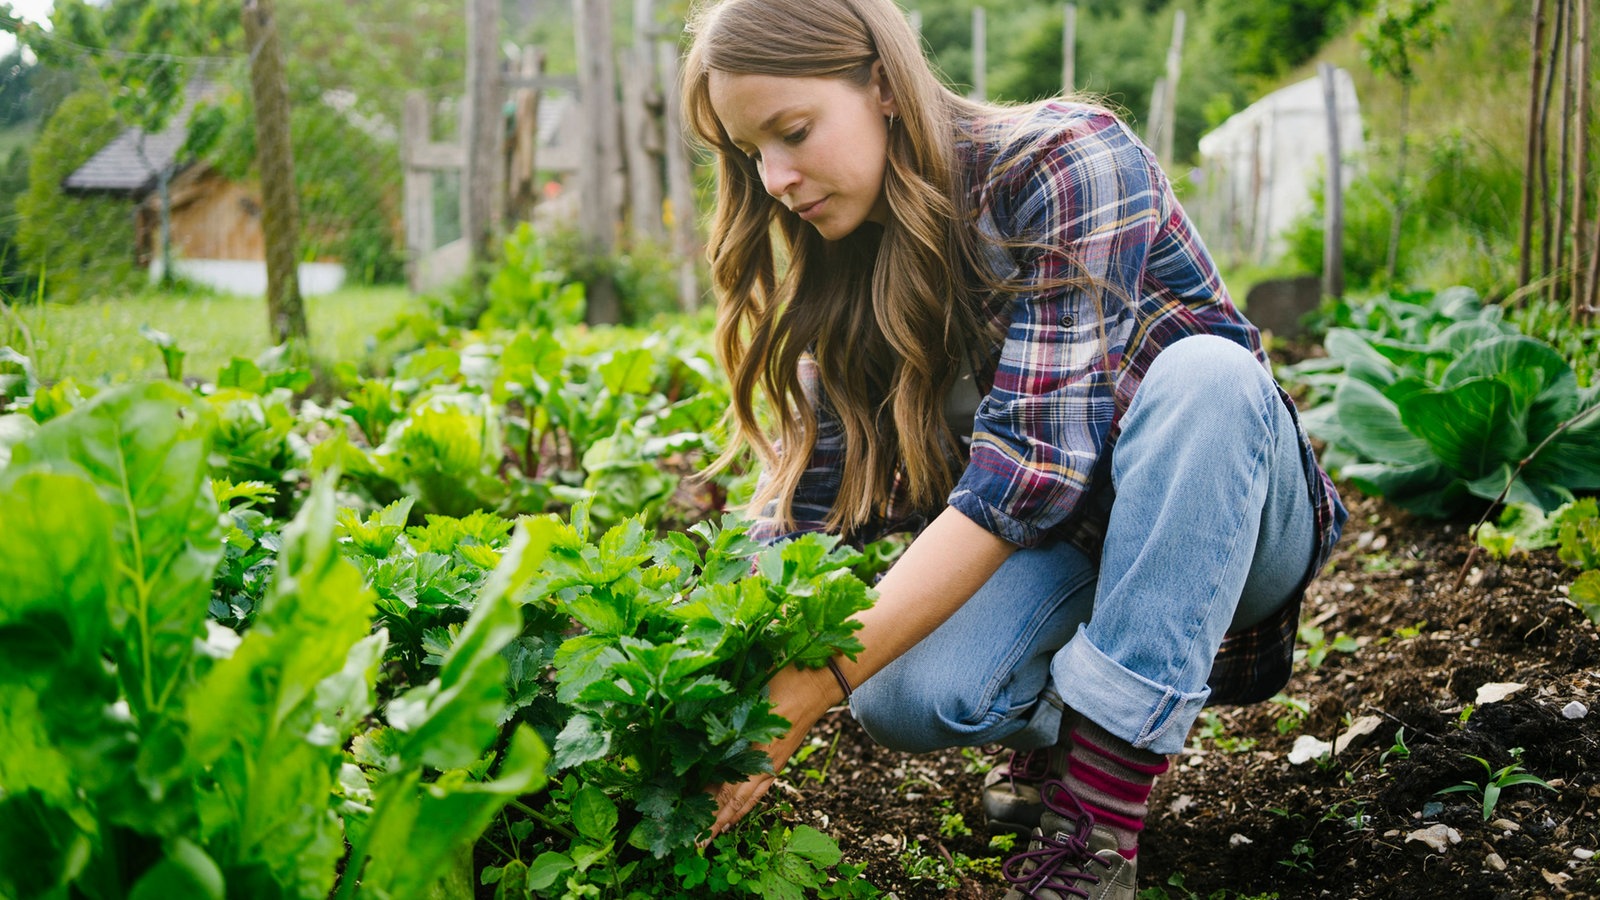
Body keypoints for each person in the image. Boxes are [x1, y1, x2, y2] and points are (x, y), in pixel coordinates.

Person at [681, 1, 1347, 897]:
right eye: (750, 154)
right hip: (1069, 547)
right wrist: (710, 690)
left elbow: (1032, 472)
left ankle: (1096, 825)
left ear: (881, 82)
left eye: (793, 132)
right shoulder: (850, 259)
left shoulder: (1067, 160)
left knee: (1205, 376)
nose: (774, 178)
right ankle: (1072, 726)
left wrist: (804, 693)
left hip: (1230, 522)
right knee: (902, 694)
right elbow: (810, 517)